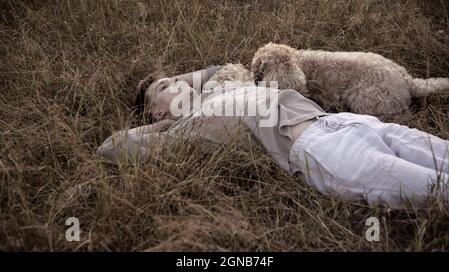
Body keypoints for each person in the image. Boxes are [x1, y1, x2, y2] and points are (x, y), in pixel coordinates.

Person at [97, 66, 449, 209]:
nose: (178, 83)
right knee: (435, 187)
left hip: (342, 121)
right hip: (318, 149)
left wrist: (177, 84)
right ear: (156, 111)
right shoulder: (184, 132)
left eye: (176, 78)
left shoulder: (220, 86)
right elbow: (111, 147)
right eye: (164, 87)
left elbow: (218, 69)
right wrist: (161, 124)